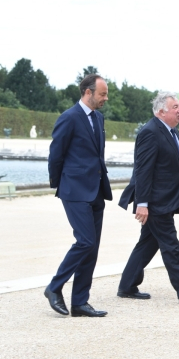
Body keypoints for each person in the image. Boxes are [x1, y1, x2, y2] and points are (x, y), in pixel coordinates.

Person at [118, 91, 179, 304]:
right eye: (175, 107)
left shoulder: (173, 132)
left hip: (166, 199)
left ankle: (127, 285)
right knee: (171, 244)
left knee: (148, 244)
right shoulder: (149, 132)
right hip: (156, 201)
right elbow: (143, 171)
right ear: (161, 112)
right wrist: (142, 203)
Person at [45, 74, 112, 317]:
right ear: (88, 92)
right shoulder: (69, 118)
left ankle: (80, 302)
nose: (105, 98)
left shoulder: (99, 118)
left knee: (91, 248)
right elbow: (56, 155)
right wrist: (60, 184)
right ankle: (54, 287)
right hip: (73, 190)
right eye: (102, 94)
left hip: (96, 190)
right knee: (85, 241)